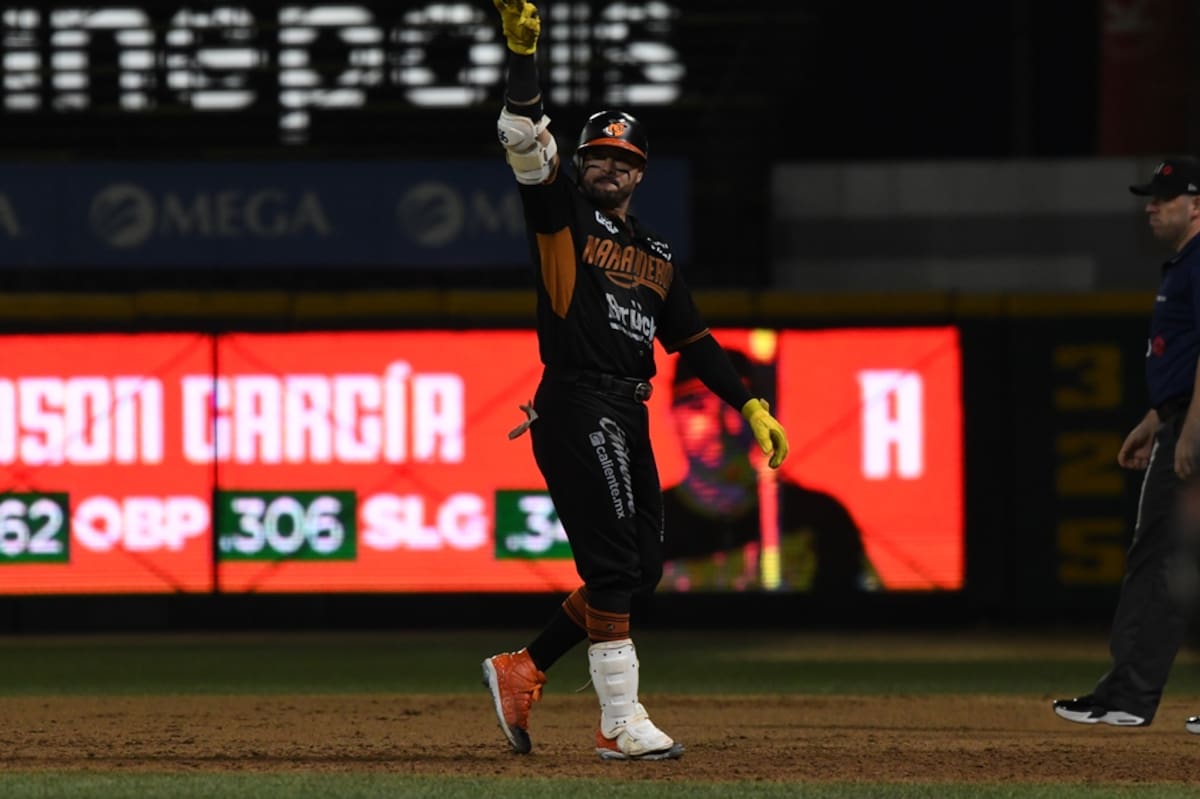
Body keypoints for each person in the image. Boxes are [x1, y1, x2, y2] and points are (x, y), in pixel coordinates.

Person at [480, 0, 789, 761]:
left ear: (640, 171)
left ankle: (524, 667)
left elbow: (697, 340)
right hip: (578, 397)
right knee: (615, 565)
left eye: (623, 158)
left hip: (628, 405)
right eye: (597, 156)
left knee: (643, 568)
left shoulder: (656, 250)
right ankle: (619, 719)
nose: (608, 166)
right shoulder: (562, 218)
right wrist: (524, 63)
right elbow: (523, 137)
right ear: (581, 165)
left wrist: (748, 400)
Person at [1053, 155, 1200, 731]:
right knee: (1175, 560)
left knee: (1159, 557)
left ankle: (1129, 695)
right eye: (1151, 196)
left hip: (1193, 422)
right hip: (1180, 415)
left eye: (1164, 196)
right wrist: (1156, 418)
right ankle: (1129, 693)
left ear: (1197, 204)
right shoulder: (1186, 264)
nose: (1151, 205)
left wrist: (1187, 429)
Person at [661, 347, 877, 592]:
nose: (717, 422)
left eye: (733, 405)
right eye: (698, 406)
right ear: (671, 417)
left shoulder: (818, 518)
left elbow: (873, 617)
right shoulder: (645, 526)